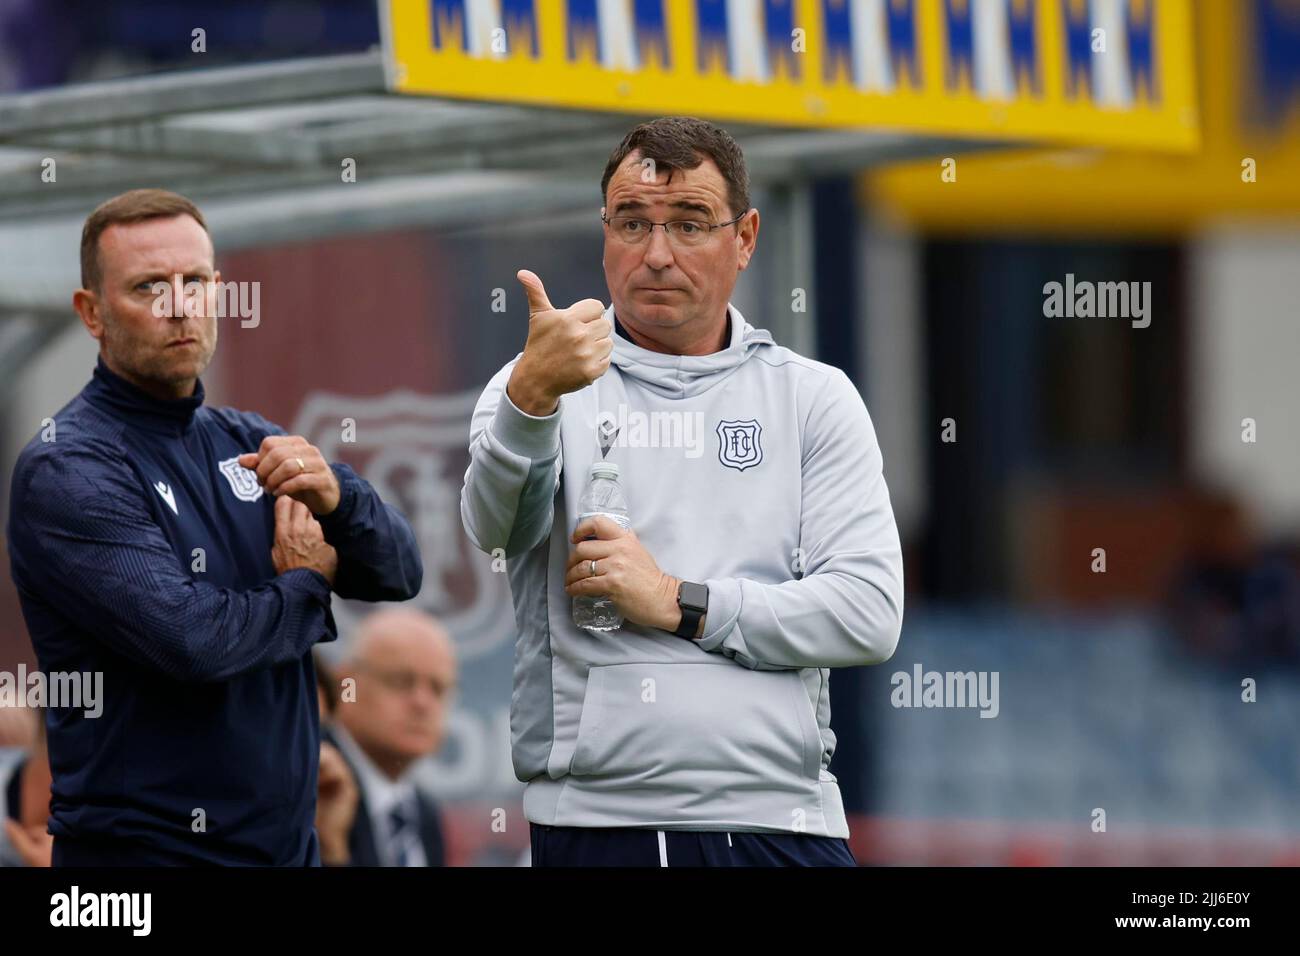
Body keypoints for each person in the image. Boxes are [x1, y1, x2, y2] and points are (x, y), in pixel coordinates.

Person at [460, 116, 904, 866]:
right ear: (604, 231)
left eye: (691, 223)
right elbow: (496, 529)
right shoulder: (537, 383)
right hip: (604, 823)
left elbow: (867, 615)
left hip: (787, 820)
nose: (656, 254)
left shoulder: (813, 398)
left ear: (747, 237)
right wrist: (532, 401)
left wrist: (679, 601)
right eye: (632, 223)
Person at [6, 189, 423, 866]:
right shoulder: (67, 468)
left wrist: (341, 499)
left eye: (195, 282)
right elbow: (190, 640)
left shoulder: (249, 441)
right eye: (148, 287)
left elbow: (400, 573)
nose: (180, 306)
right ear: (92, 313)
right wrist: (305, 589)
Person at [325, 608, 456, 867]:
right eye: (400, 681)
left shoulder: (425, 814)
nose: (422, 702)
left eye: (438, 688)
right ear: (345, 685)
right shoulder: (314, 783)